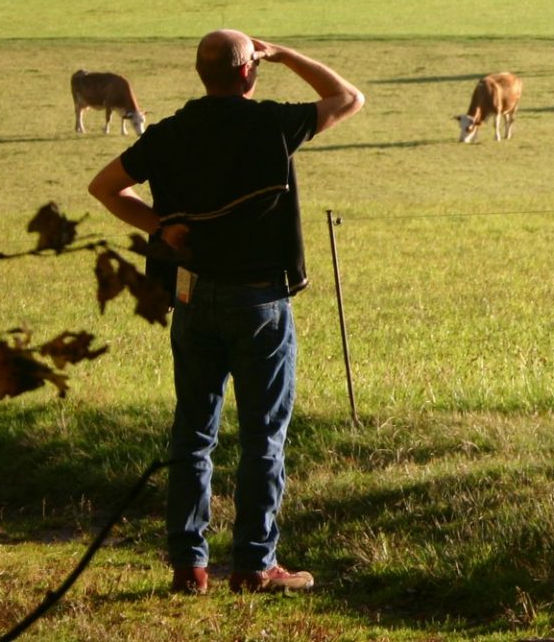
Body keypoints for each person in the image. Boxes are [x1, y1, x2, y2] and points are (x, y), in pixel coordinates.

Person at [87, 30, 364, 595]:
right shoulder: (271, 124)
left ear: (200, 72)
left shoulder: (169, 133)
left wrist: (159, 227)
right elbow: (347, 98)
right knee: (263, 435)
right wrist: (284, 54)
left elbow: (105, 187)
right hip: (260, 301)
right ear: (247, 73)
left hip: (192, 296)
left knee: (193, 433)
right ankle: (254, 565)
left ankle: (189, 566)